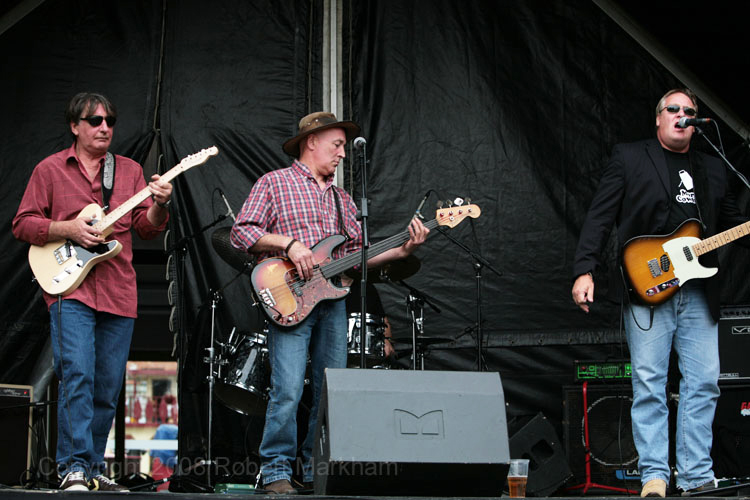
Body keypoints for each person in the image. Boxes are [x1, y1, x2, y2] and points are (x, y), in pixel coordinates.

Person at [230, 111, 428, 494]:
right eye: (336, 145)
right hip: (290, 298)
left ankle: (314, 470)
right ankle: (275, 472)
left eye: (343, 146)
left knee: (329, 391)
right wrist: (288, 244)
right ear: (311, 142)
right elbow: (242, 233)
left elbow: (358, 256)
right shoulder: (275, 183)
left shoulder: (343, 200)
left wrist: (403, 249)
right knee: (287, 387)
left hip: (333, 301)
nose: (341, 154)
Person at [571, 88, 749, 497]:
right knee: (649, 383)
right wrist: (585, 270)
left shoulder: (713, 169)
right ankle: (654, 474)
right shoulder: (630, 157)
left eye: (689, 111)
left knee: (703, 382)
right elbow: (600, 216)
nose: (682, 115)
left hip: (699, 291)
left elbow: (730, 223)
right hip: (645, 285)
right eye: (674, 109)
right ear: (658, 118)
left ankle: (695, 475)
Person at [12, 92, 172, 491]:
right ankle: (72, 467)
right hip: (70, 288)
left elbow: (148, 227)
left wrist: (159, 204)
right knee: (77, 373)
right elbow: (23, 224)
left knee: (107, 385)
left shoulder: (130, 170)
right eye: (95, 120)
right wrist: (67, 229)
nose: (104, 127)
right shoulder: (49, 170)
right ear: (75, 125)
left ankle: (92, 465)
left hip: (118, 289)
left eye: (110, 121)